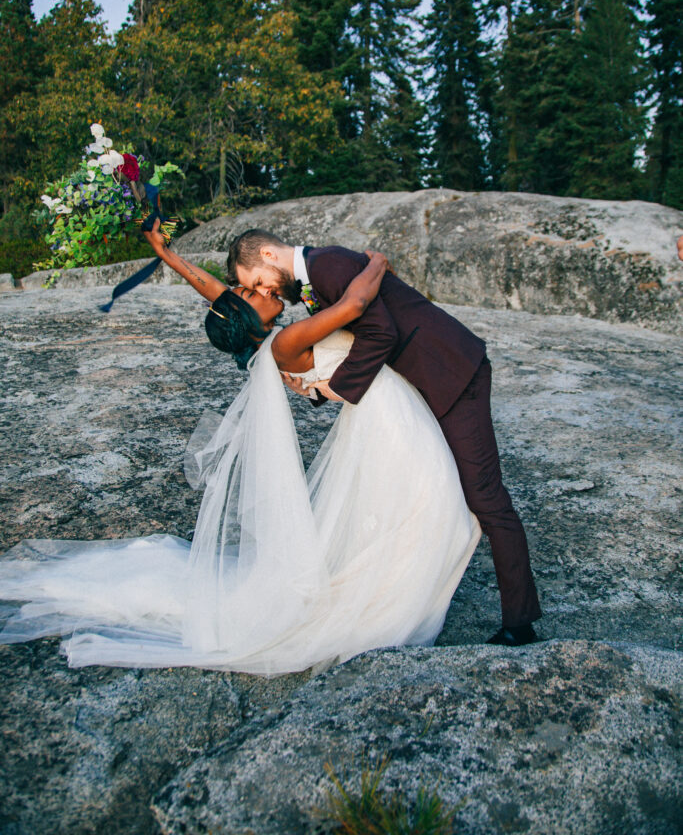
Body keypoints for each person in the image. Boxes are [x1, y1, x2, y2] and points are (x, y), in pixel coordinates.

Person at [0, 222, 480, 674]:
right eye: (253, 294)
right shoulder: (287, 341)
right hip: (386, 421)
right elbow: (354, 305)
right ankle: (393, 601)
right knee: (434, 509)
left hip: (381, 414)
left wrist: (166, 254)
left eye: (248, 287)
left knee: (414, 512)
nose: (259, 291)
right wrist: (375, 260)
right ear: (252, 316)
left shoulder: (259, 343)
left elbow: (218, 296)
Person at [228, 230, 542, 647]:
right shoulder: (312, 275)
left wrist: (334, 388)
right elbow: (347, 332)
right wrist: (318, 385)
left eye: (255, 281)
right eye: (253, 290)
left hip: (450, 374)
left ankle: (520, 625)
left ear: (267, 254)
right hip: (418, 386)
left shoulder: (329, 266)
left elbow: (380, 333)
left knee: (485, 498)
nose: (262, 290)